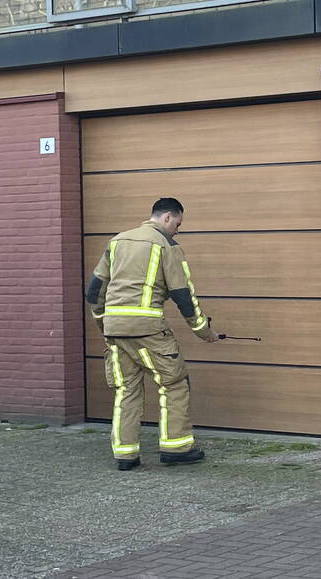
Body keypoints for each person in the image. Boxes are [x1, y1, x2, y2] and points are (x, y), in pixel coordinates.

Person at [86, 197, 218, 471]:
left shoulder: (118, 241)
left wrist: (104, 323)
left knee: (126, 390)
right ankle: (176, 448)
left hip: (115, 330)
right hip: (147, 330)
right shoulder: (166, 246)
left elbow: (94, 291)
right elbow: (183, 295)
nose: (178, 230)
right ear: (168, 217)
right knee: (174, 383)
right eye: (178, 224)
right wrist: (203, 331)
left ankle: (125, 455)